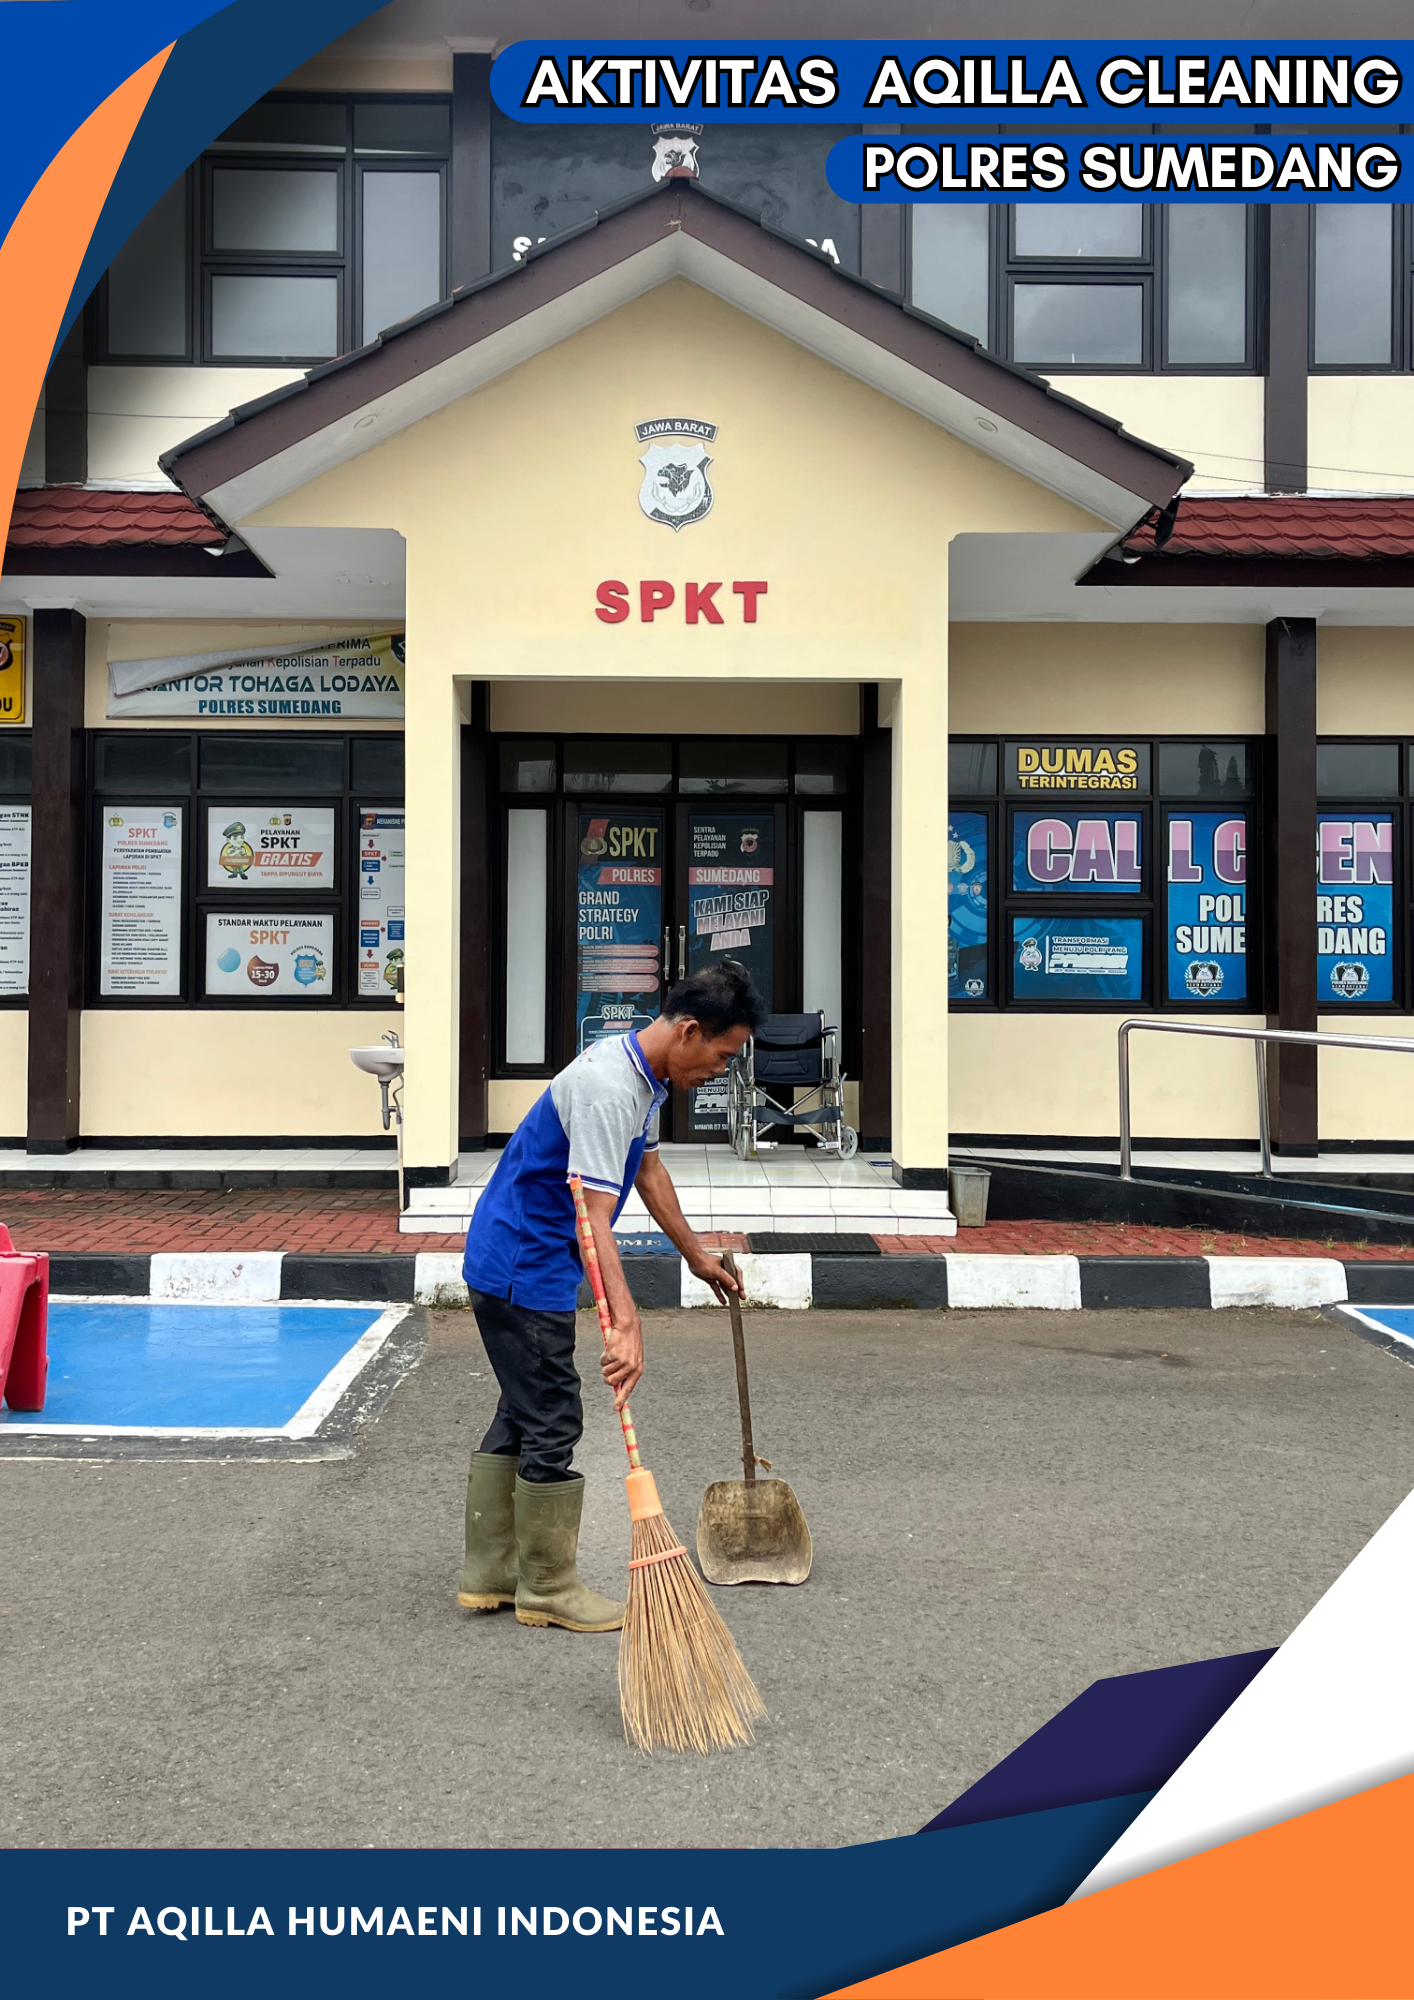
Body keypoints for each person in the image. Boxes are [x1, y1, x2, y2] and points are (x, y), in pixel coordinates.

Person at [457, 960, 766, 1632]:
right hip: (520, 1263)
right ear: (688, 1032)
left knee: (524, 1407)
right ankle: (547, 1587)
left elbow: (648, 1172)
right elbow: (591, 1216)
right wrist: (625, 1322)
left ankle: (490, 1574)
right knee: (553, 1418)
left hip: (524, 1258)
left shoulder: (644, 1079)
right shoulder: (607, 1088)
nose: (722, 1070)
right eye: (723, 1055)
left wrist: (696, 1255)